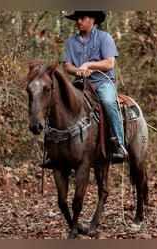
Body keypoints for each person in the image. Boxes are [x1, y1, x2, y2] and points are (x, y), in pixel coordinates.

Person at [63, 11, 126, 163]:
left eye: (82, 18)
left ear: (92, 19)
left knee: (109, 102)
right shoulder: (71, 42)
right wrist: (78, 70)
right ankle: (55, 150)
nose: (78, 21)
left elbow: (110, 63)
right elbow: (67, 66)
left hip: (102, 82)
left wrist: (89, 64)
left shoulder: (104, 38)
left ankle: (119, 145)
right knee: (61, 101)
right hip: (81, 83)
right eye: (77, 18)